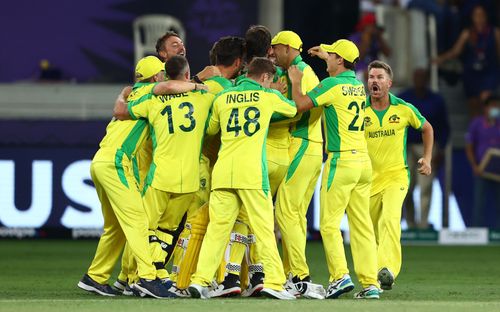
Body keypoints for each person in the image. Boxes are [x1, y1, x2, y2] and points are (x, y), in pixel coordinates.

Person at [78, 56, 201, 299]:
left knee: (116, 227)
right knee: (138, 221)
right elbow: (169, 87)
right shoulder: (152, 93)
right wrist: (199, 84)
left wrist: (123, 93)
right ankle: (147, 277)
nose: (165, 77)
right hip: (116, 163)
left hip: (101, 160)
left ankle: (95, 277)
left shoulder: (132, 92)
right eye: (162, 74)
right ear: (156, 77)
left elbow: (123, 103)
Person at [189, 57, 297, 300]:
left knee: (217, 231)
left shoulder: (223, 97)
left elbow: (211, 129)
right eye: (271, 80)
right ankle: (275, 282)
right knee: (264, 229)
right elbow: (293, 109)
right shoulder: (268, 96)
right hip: (252, 173)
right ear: (265, 77)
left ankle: (200, 280)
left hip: (224, 171)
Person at [288, 39, 380, 299]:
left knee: (328, 224)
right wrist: (325, 56)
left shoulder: (331, 85)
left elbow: (300, 105)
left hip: (341, 161)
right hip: (363, 162)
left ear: (340, 60)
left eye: (331, 55)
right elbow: (336, 76)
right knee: (361, 226)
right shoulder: (357, 86)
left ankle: (340, 276)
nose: (326, 56)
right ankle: (370, 283)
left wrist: (296, 81)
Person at [113, 55, 214, 292]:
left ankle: (136, 277)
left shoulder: (152, 101)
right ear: (188, 76)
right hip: (188, 179)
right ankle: (157, 271)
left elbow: (121, 112)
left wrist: (123, 94)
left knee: (145, 229)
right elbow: (211, 127)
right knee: (167, 231)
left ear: (166, 76)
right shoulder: (205, 98)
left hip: (160, 175)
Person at [364, 60, 434, 291]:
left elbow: (427, 128)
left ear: (389, 83)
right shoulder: (358, 110)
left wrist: (427, 158)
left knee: (391, 219)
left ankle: (389, 269)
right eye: (371, 77)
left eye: (379, 77)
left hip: (396, 176)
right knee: (371, 232)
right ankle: (376, 277)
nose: (374, 81)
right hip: (367, 180)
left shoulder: (403, 108)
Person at [269, 30, 325, 299]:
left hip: (303, 143)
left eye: (275, 48)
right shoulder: (291, 71)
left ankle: (300, 276)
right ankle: (293, 273)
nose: (272, 52)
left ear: (289, 47)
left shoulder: (303, 72)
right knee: (295, 216)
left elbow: (314, 108)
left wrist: (284, 118)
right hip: (306, 146)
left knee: (285, 211)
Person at [398, 68, 450, 229]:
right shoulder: (404, 98)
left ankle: (423, 224)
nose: (419, 80)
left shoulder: (436, 100)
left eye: (422, 77)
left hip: (427, 146)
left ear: (427, 80)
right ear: (413, 79)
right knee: (405, 187)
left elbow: (443, 127)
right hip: (405, 146)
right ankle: (411, 223)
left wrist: (440, 150)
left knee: (425, 186)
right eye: (416, 77)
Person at [434, 4, 500, 116]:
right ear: (472, 18)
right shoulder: (467, 33)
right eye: (476, 16)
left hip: (489, 71)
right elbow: (456, 51)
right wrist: (440, 59)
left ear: (486, 17)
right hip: (472, 73)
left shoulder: (495, 32)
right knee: (473, 104)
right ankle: (476, 130)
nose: (479, 19)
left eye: (481, 15)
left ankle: (491, 129)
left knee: (487, 99)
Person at [465, 95, 500, 228]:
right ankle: (476, 232)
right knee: (479, 203)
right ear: (485, 108)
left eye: (497, 106)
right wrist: (474, 166)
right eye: (493, 106)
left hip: (498, 172)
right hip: (481, 170)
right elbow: (469, 147)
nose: (496, 109)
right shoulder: (477, 123)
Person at [348, 13, 391, 82]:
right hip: (357, 73)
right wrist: (366, 39)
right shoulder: (355, 37)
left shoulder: (376, 38)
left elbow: (388, 53)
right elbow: (359, 57)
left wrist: (380, 38)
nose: (373, 28)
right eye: (371, 26)